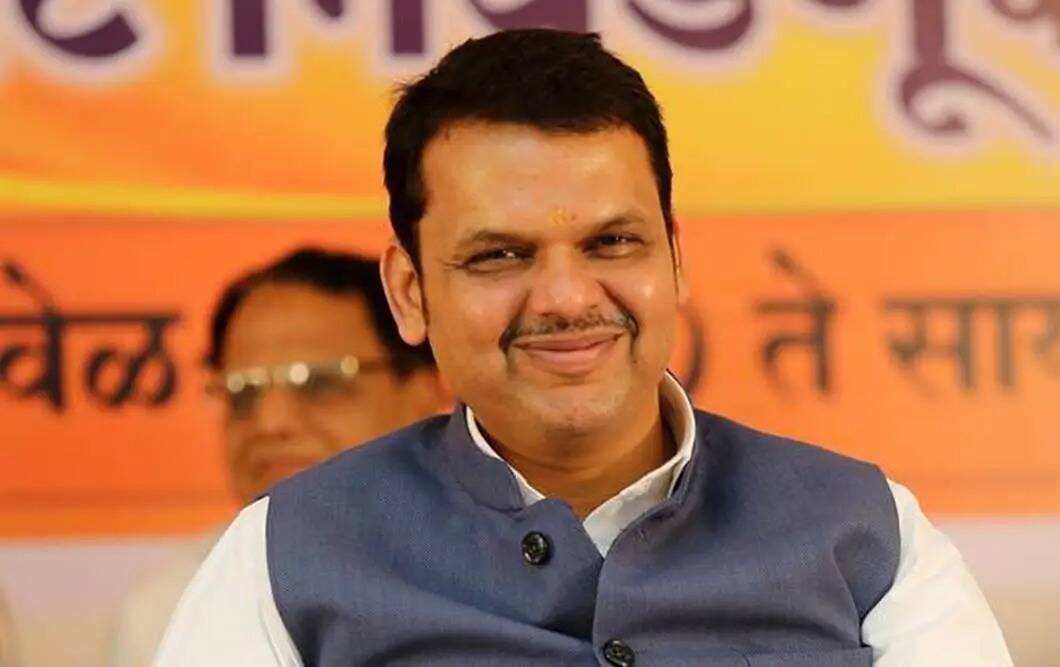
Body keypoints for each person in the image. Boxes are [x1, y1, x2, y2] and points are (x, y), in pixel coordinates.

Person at [157, 30, 1011, 665]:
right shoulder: (285, 556)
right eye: (501, 255)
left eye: (612, 243)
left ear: (675, 259)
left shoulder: (865, 533)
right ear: (411, 292)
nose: (568, 299)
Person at [111, 248, 445, 666]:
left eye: (319, 384)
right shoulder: (172, 608)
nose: (269, 423)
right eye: (242, 392)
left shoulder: (494, 572)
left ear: (426, 391)